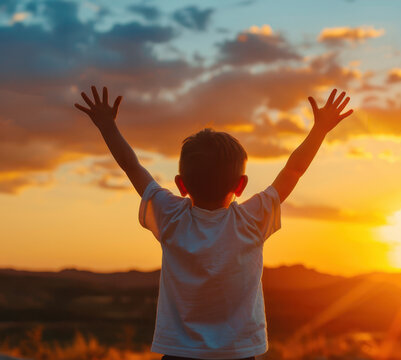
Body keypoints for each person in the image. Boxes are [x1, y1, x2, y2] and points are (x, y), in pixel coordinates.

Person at [74, 86, 353, 360]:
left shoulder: (170, 216)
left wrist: (107, 126)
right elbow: (294, 170)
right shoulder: (251, 220)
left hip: (179, 353)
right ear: (241, 185)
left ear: (181, 185)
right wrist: (320, 129)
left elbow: (131, 166)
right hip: (239, 353)